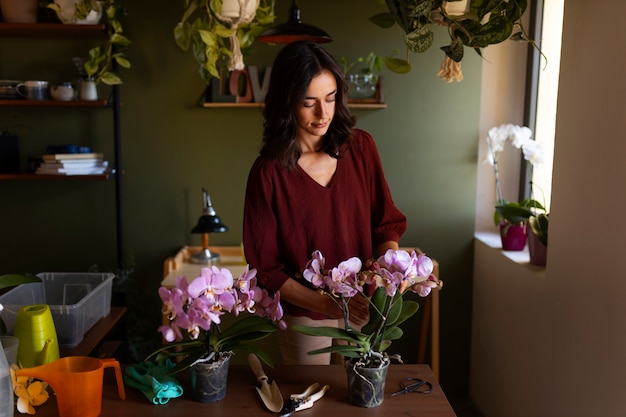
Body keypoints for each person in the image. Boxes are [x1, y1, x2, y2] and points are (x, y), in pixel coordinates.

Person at [242, 41, 407, 365]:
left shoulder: (361, 148)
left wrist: (392, 269)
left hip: (365, 306)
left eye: (330, 99)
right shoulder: (268, 174)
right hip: (305, 315)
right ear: (286, 104)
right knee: (310, 405)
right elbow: (267, 272)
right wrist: (328, 306)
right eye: (309, 102)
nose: (323, 113)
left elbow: (385, 223)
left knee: (364, 401)